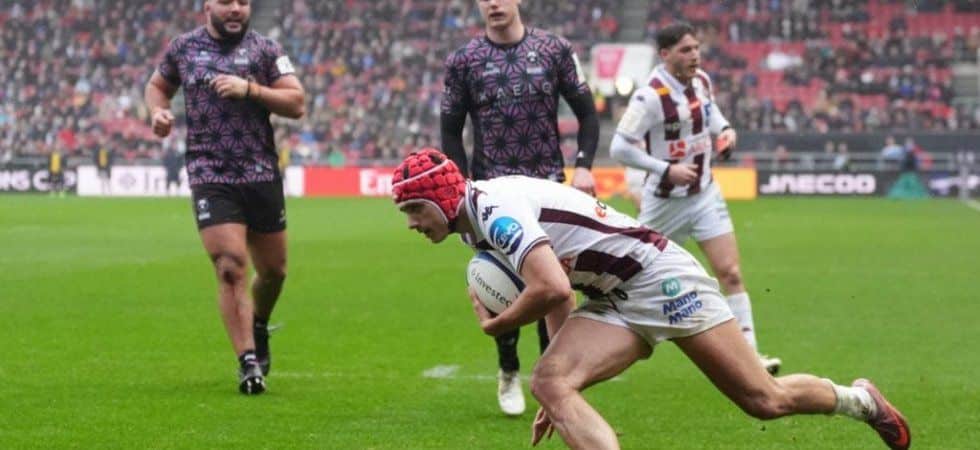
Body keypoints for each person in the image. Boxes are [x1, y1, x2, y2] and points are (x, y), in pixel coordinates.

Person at [392, 148, 911, 450]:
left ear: (441, 196)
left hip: (661, 278)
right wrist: (561, 383)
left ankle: (862, 402)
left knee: (763, 399)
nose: (412, 224)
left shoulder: (495, 212)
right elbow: (557, 295)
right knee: (548, 381)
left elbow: (551, 288)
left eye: (415, 209)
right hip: (614, 297)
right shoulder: (473, 227)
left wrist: (498, 323)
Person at [440, 0, 600, 416]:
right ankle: (509, 369)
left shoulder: (554, 50)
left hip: (549, 192)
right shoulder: (463, 61)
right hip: (492, 194)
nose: (493, 3)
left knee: (554, 287)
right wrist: (462, 189)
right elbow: (451, 132)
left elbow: (587, 113)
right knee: (499, 285)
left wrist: (584, 166)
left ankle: (552, 377)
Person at [143, 0, 306, 395]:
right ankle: (248, 362)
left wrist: (250, 89)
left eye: (243, 2)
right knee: (230, 265)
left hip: (261, 173)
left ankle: (259, 324)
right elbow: (157, 86)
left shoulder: (267, 50)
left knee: (274, 272)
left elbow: (296, 103)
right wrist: (157, 112)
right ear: (207, 6)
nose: (236, 9)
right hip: (209, 172)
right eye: (227, 2)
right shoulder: (183, 47)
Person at [609, 23, 780, 374]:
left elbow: (710, 110)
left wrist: (725, 130)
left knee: (730, 273)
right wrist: (665, 169)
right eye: (685, 50)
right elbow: (619, 147)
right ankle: (602, 340)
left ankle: (751, 359)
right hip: (664, 204)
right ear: (665, 54)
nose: (695, 55)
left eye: (696, 48)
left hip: (704, 194)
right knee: (631, 278)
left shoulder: (701, 80)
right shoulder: (649, 97)